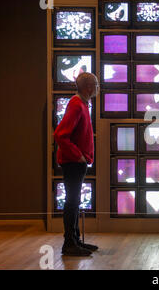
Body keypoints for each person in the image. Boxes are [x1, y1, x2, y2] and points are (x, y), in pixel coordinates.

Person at [54, 72, 99, 256]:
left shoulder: (82, 104)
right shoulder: (76, 105)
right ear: (88, 87)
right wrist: (78, 155)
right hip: (73, 162)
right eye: (96, 84)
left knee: (74, 201)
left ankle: (75, 240)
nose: (98, 88)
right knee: (72, 203)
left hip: (77, 162)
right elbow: (60, 135)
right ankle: (69, 244)